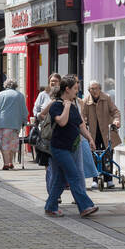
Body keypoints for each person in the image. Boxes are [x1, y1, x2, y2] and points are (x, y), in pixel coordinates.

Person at [44, 76, 97, 219]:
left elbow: (80, 125)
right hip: (59, 148)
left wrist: (90, 138)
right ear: (67, 89)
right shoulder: (56, 106)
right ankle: (85, 206)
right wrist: (66, 106)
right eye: (75, 89)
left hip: (71, 147)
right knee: (74, 175)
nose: (76, 92)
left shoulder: (73, 106)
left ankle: (50, 207)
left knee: (60, 179)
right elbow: (62, 122)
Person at [82, 81, 123, 189]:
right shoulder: (86, 101)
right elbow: (83, 115)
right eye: (92, 89)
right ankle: (95, 179)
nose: (94, 91)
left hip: (106, 132)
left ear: (100, 89)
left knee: (108, 155)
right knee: (94, 156)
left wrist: (116, 120)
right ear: (89, 90)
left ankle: (109, 179)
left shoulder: (107, 98)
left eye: (96, 88)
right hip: (93, 133)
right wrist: (84, 122)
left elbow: (115, 112)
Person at [0, 78, 27, 170]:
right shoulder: (20, 95)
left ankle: (6, 163)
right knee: (12, 143)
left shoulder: (1, 94)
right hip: (15, 123)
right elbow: (24, 111)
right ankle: (10, 162)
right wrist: (24, 121)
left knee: (4, 143)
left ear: (5, 85)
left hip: (3, 123)